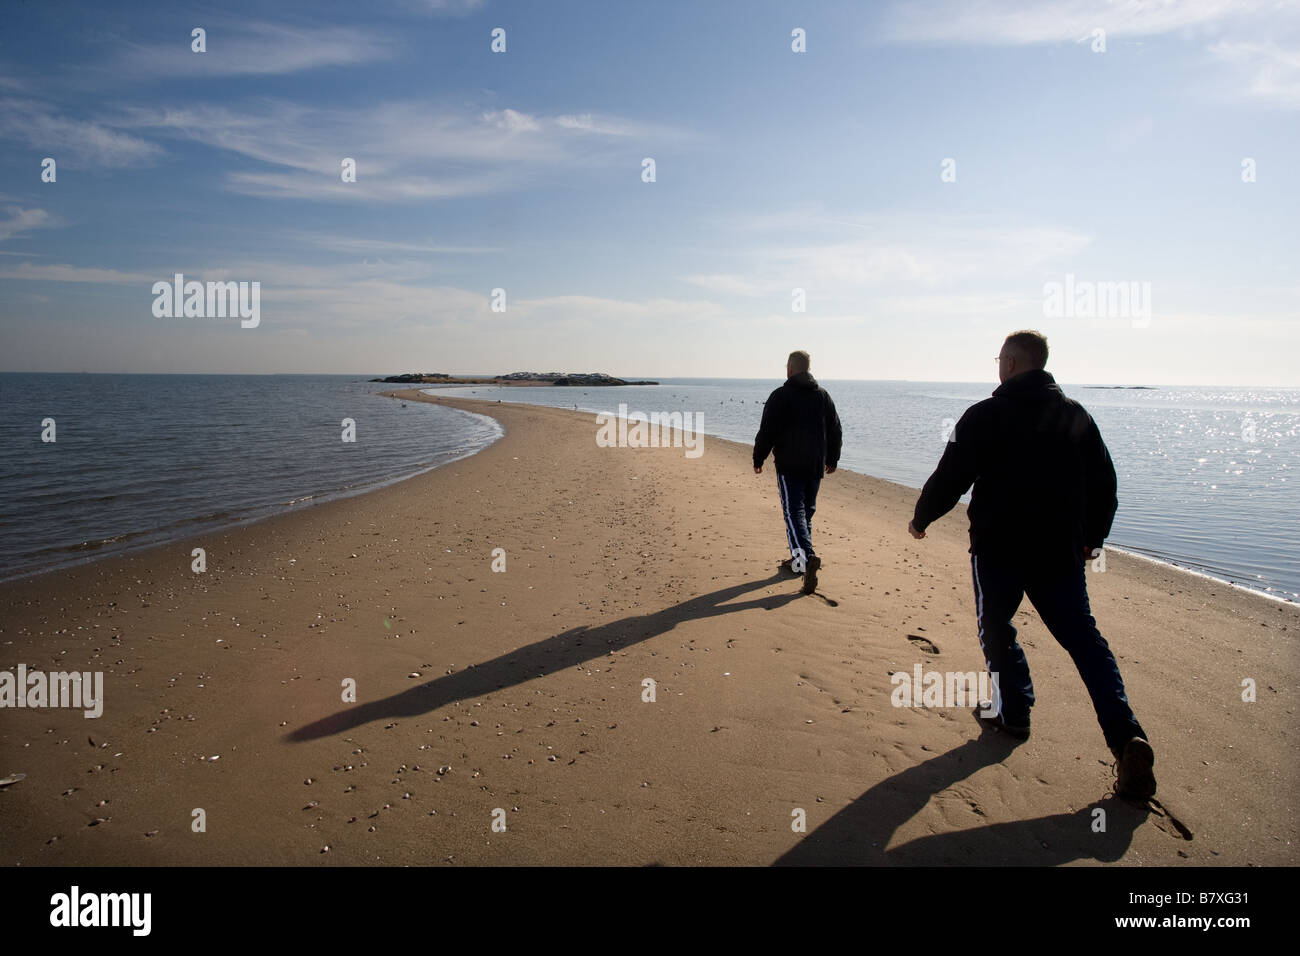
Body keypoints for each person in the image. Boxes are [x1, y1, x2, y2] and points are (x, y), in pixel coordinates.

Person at [906, 330, 1156, 800]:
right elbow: (1105, 483)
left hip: (999, 547)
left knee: (995, 627)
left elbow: (951, 474)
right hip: (1059, 551)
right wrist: (1094, 538)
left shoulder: (985, 414)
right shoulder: (1074, 416)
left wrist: (922, 518)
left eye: (1000, 358)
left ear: (1014, 363)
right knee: (1083, 639)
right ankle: (1125, 738)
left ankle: (1013, 713)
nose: (997, 365)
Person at [753, 351, 842, 595]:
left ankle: (806, 557)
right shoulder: (822, 396)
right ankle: (799, 561)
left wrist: (758, 457)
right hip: (814, 465)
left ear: (790, 369)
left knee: (794, 514)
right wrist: (833, 458)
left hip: (789, 466)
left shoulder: (781, 396)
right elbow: (835, 429)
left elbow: (767, 430)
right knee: (805, 514)